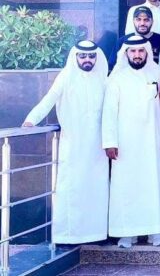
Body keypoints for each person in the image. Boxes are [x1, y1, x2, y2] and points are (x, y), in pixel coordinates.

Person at [22, 41, 109, 246]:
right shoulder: (66, 76)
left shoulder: (104, 79)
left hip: (98, 147)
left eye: (91, 56)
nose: (87, 60)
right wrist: (31, 120)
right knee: (70, 188)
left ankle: (96, 235)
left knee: (97, 190)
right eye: (82, 56)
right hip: (73, 144)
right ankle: (67, 236)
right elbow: (49, 99)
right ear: (75, 57)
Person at [102, 36, 160, 248]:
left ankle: (155, 232)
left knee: (153, 185)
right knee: (126, 186)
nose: (137, 55)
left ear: (147, 52)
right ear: (126, 53)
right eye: (133, 51)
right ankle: (127, 233)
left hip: (152, 141)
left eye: (141, 51)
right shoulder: (116, 78)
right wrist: (110, 141)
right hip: (125, 143)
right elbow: (109, 112)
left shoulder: (158, 74)